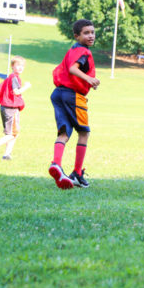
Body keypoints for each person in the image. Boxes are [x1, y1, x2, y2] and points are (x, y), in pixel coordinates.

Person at [48, 19, 100, 189]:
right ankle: (77, 173)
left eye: (92, 32)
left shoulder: (73, 49)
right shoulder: (83, 52)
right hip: (73, 95)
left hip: (59, 93)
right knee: (84, 132)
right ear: (77, 35)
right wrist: (89, 79)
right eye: (86, 33)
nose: (91, 35)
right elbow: (72, 69)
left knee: (64, 132)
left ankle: (56, 164)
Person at [0, 56, 31, 160]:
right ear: (12, 66)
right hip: (11, 109)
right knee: (12, 134)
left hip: (5, 107)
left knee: (13, 133)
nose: (20, 68)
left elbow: (2, 89)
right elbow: (16, 92)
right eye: (18, 65)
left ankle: (7, 155)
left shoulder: (11, 77)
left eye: (22, 66)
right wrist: (26, 87)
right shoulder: (14, 77)